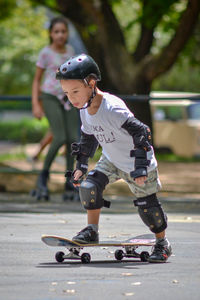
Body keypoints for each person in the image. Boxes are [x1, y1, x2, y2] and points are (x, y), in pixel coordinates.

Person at [55, 53, 172, 263]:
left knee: (148, 206)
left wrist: (140, 168)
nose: (71, 98)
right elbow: (88, 138)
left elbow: (142, 132)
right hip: (111, 160)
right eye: (66, 93)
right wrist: (81, 166)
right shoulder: (84, 109)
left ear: (91, 83)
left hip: (137, 161)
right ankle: (92, 230)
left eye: (75, 92)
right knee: (89, 186)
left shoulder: (112, 108)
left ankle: (162, 242)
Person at [31, 17, 79, 201]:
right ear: (51, 34)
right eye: (56, 31)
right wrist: (36, 104)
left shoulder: (71, 51)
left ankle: (69, 181)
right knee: (59, 137)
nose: (60, 35)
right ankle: (43, 177)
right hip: (50, 97)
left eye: (63, 32)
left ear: (67, 34)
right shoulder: (45, 53)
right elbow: (36, 80)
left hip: (68, 98)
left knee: (73, 139)